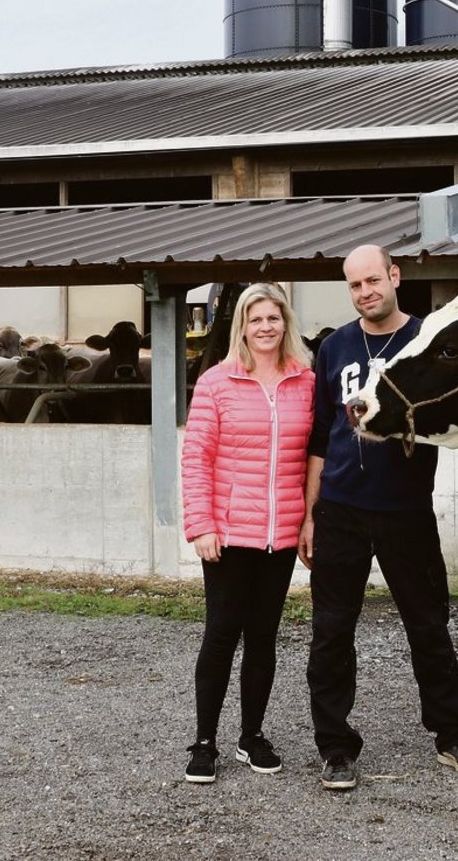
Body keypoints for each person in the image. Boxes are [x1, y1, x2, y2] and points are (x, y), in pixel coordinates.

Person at [298, 244, 458, 791]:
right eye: (355, 285)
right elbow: (318, 435)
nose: (365, 292)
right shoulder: (334, 347)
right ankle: (335, 747)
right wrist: (311, 512)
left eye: (373, 280)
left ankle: (453, 735)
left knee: (428, 627)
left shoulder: (427, 339)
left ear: (395, 276)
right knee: (332, 631)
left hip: (406, 510)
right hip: (340, 509)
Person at [180, 283, 315, 784]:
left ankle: (251, 735)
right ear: (242, 325)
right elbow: (196, 457)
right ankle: (204, 742)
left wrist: (307, 520)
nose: (265, 327)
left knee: (263, 638)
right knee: (221, 635)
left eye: (273, 318)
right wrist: (201, 525)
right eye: (255, 319)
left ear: (285, 323)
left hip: (279, 534)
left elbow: (311, 459)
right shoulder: (216, 382)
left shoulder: (305, 382)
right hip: (229, 534)